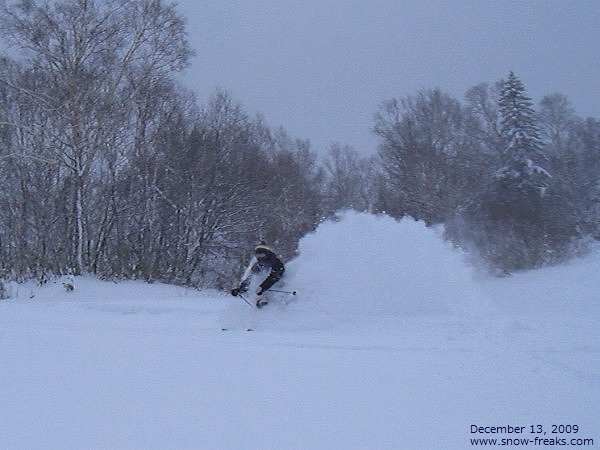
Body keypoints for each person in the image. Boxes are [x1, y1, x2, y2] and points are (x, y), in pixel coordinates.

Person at [231, 242, 285, 308]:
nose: (260, 258)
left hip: (280, 288)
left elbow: (275, 276)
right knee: (259, 301)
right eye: (257, 255)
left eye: (261, 255)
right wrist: (240, 289)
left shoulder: (276, 263)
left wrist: (263, 287)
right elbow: (250, 279)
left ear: (267, 254)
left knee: (268, 297)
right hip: (264, 291)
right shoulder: (258, 265)